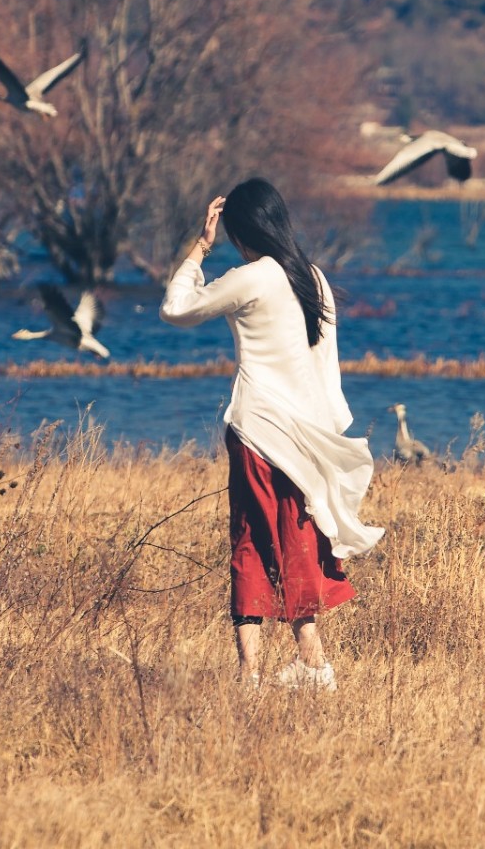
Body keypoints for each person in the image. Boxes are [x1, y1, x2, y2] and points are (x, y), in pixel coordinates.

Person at [161, 177, 383, 691]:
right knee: (295, 537)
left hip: (259, 431)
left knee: (251, 540)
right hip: (305, 439)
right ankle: (311, 663)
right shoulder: (314, 277)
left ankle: (256, 674)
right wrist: (325, 437)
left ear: (242, 231)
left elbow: (176, 308)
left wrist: (200, 247)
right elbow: (325, 366)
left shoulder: (251, 276)